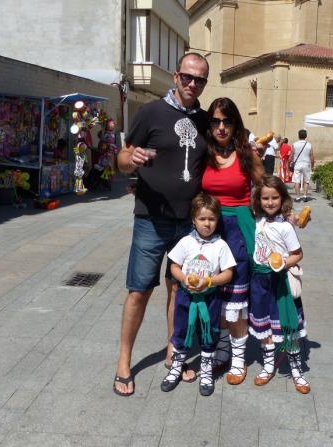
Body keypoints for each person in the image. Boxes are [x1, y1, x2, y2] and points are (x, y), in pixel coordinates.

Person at [114, 53, 210, 396]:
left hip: (188, 223)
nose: (192, 84)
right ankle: (124, 361)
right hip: (151, 219)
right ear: (175, 76)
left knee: (179, 289)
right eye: (187, 77)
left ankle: (174, 351)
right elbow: (122, 158)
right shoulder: (150, 112)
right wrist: (132, 159)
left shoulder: (204, 120)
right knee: (139, 290)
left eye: (200, 79)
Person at [201, 97, 263, 385]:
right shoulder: (203, 153)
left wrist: (286, 216)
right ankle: (223, 350)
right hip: (209, 230)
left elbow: (267, 188)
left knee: (236, 299)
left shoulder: (247, 154)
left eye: (227, 121)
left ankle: (238, 359)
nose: (221, 127)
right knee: (214, 295)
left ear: (236, 124)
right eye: (215, 121)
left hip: (238, 229)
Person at [162, 193, 236, 396]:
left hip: (210, 299)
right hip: (185, 297)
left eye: (211, 219)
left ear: (217, 220)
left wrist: (210, 281)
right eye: (202, 219)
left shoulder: (220, 245)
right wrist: (183, 278)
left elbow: (228, 273)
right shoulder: (186, 242)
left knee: (208, 333)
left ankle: (206, 371)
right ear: (193, 220)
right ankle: (176, 367)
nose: (207, 223)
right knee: (180, 331)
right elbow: (174, 266)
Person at [249, 175, 310, 394]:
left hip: (281, 282)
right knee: (264, 327)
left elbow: (298, 254)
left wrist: (283, 264)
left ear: (282, 198)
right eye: (265, 198)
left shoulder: (285, 227)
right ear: (258, 200)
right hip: (259, 282)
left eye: (275, 198)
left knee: (288, 326)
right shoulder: (256, 220)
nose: (270, 202)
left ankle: (296, 369)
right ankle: (268, 366)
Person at [290, 129, 314, 202]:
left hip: (297, 164)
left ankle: (298, 197)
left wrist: (288, 163)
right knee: (306, 181)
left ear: (298, 136)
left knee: (297, 181)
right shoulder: (309, 145)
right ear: (306, 136)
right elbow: (312, 156)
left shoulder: (294, 144)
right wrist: (312, 165)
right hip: (306, 164)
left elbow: (291, 155)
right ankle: (305, 196)